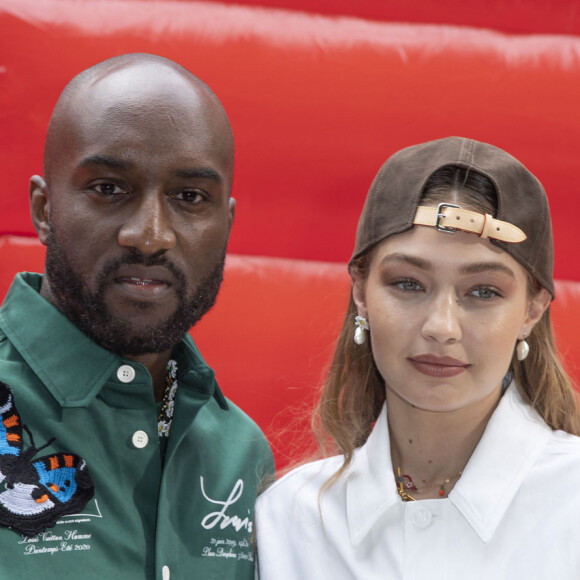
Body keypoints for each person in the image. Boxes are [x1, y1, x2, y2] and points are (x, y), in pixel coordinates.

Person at [255, 137, 580, 579]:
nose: (441, 327)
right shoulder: (288, 521)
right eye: (409, 284)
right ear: (360, 291)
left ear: (532, 310)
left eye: (483, 291)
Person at [0, 53, 273, 579]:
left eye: (190, 197)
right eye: (108, 188)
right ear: (43, 209)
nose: (150, 235)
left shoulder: (241, 452)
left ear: (227, 224)